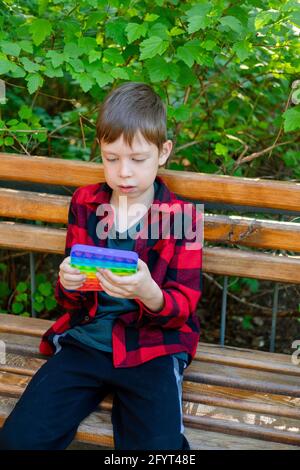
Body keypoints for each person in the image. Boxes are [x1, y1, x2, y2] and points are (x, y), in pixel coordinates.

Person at [0, 82, 203, 450]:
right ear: (101, 152)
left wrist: (150, 293)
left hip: (152, 348)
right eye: (112, 158)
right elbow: (70, 300)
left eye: (137, 159)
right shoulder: (86, 202)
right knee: (19, 439)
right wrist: (69, 282)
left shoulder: (182, 217)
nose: (124, 172)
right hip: (87, 341)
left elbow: (182, 307)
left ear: (163, 153)